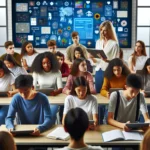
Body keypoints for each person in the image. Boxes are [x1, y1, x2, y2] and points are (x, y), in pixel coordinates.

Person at [95, 21, 120, 93]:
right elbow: (97, 60)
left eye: (105, 30)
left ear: (109, 31)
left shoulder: (114, 44)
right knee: (98, 92)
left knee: (108, 93)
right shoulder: (98, 42)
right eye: (101, 30)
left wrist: (107, 60)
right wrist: (92, 57)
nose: (102, 32)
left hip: (108, 71)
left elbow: (116, 61)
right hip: (98, 70)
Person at [0, 60, 17, 125]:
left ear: (4, 69)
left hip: (7, 102)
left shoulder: (10, 76)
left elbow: (17, 90)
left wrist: (12, 92)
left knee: (1, 116)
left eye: (0, 71)